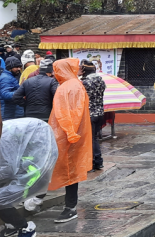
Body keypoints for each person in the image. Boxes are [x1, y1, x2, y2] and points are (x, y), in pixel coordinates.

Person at [0, 115, 58, 237]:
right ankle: (12, 225)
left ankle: (26, 228)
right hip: (24, 158)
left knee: (0, 198)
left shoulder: (3, 141)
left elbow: (8, 169)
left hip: (38, 158)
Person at [48, 58, 92, 223]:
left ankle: (69, 207)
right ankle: (68, 206)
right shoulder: (72, 85)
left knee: (68, 170)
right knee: (69, 170)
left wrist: (69, 132)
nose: (54, 73)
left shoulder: (69, 87)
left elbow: (70, 113)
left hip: (67, 136)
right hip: (71, 134)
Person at [79, 60, 106, 171]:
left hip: (89, 113)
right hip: (100, 112)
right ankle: (98, 161)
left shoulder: (84, 83)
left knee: (90, 139)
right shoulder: (101, 81)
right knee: (94, 137)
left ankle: (93, 162)